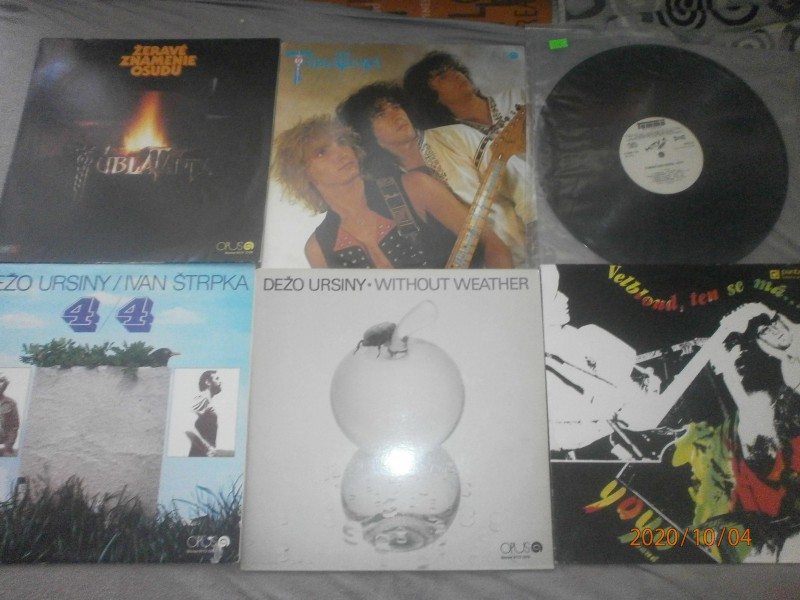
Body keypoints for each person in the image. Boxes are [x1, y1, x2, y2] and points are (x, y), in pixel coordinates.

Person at [271, 114, 512, 269]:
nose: (341, 153)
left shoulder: (416, 187)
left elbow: (494, 246)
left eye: (342, 142)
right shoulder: (318, 248)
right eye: (322, 152)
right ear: (302, 174)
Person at [337, 82, 532, 267]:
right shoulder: (388, 185)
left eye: (396, 107)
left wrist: (540, 236)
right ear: (365, 131)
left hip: (525, 254)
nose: (397, 115)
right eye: (381, 114)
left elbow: (524, 185)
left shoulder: (456, 136)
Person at [402, 50, 526, 134]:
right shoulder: (457, 138)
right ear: (430, 97)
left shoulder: (518, 96)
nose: (456, 74)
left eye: (453, 69)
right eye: (443, 77)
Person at [188, 370, 222, 457]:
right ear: (208, 382)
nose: (220, 381)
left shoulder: (206, 400)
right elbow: (188, 427)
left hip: (203, 456)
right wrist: (207, 448)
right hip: (198, 455)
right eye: (217, 379)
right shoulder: (203, 398)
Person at [0, 375, 20, 457]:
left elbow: (14, 426)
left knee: (9, 456)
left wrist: (8, 446)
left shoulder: (10, 403)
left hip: (5, 441)